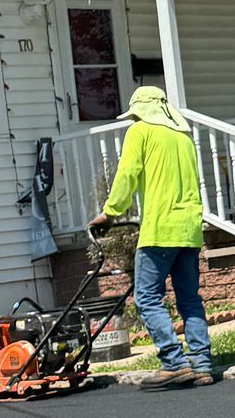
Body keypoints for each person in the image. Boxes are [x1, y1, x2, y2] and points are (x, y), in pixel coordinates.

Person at [90, 83, 215, 388]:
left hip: (160, 229)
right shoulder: (182, 137)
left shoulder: (140, 132)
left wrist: (110, 212)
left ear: (141, 112)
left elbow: (127, 174)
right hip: (189, 229)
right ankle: (201, 363)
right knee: (189, 298)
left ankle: (173, 361)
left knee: (146, 297)